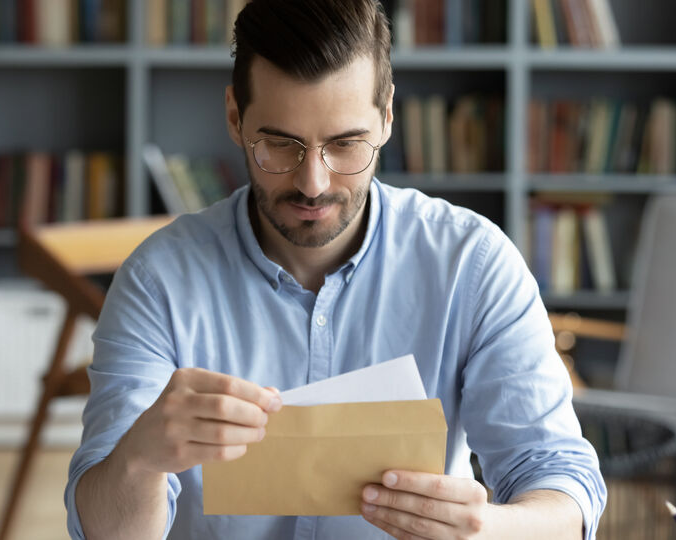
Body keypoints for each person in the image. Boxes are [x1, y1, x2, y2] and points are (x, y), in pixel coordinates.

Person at [67, 0, 606, 538]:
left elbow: (563, 484)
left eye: (346, 145)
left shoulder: (473, 265)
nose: (313, 183)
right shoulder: (157, 280)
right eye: (280, 144)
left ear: (387, 117)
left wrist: (483, 531)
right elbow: (103, 530)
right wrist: (139, 460)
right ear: (235, 117)